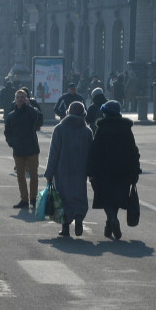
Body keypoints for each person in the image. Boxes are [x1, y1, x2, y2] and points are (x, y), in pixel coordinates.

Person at [87, 101, 140, 241]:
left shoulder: (102, 128)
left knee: (105, 197)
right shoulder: (126, 128)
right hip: (124, 170)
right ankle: (109, 224)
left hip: (104, 171)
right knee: (117, 197)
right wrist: (135, 170)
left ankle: (112, 218)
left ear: (106, 113)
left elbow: (94, 151)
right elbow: (133, 150)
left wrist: (91, 171)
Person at [44, 100, 93, 237]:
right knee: (79, 195)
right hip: (80, 170)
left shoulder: (60, 129)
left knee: (63, 197)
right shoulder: (87, 131)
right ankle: (78, 218)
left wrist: (49, 173)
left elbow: (54, 153)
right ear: (83, 114)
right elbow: (91, 154)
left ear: (68, 113)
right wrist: (91, 172)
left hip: (62, 170)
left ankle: (65, 228)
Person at [4, 88, 44, 209]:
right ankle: (24, 199)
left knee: (33, 175)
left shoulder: (31, 112)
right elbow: (7, 133)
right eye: (18, 97)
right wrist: (12, 143)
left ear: (26, 99)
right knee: (20, 176)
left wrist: (29, 105)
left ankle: (33, 199)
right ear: (15, 100)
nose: (20, 99)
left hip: (32, 149)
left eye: (23, 97)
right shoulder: (11, 116)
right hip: (18, 150)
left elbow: (37, 116)